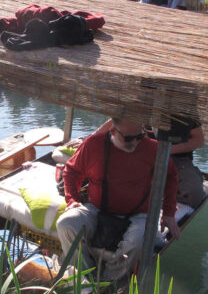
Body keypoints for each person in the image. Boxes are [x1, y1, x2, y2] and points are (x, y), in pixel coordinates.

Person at [56, 118, 180, 281]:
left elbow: (170, 177)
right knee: (66, 223)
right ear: (113, 131)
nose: (135, 142)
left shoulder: (153, 149)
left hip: (138, 215)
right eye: (128, 138)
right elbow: (71, 171)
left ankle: (110, 281)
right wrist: (72, 200)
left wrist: (169, 213)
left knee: (138, 240)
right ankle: (85, 277)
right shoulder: (94, 144)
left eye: (139, 136)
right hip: (97, 209)